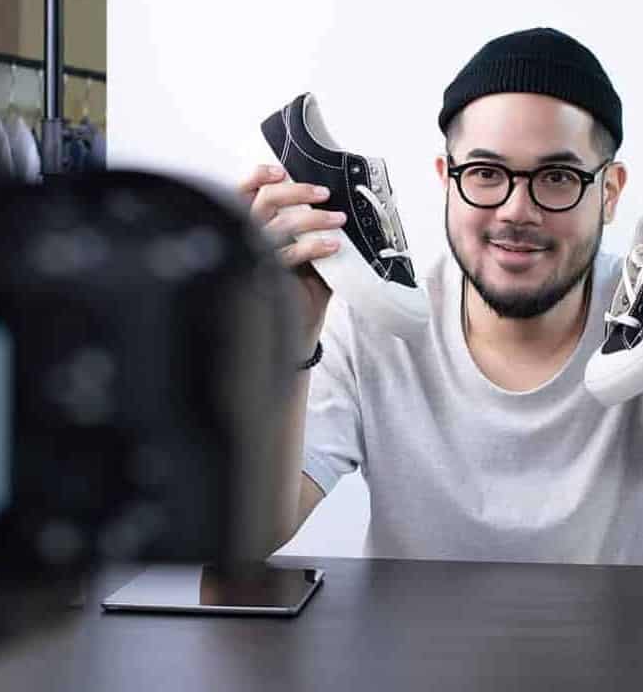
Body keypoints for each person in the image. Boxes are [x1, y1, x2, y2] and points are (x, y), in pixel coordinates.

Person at [240, 27, 643, 564]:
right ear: (446, 180)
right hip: (410, 647)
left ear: (610, 192)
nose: (516, 210)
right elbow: (244, 542)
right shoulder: (370, 322)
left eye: (558, 176)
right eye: (484, 172)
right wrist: (286, 339)